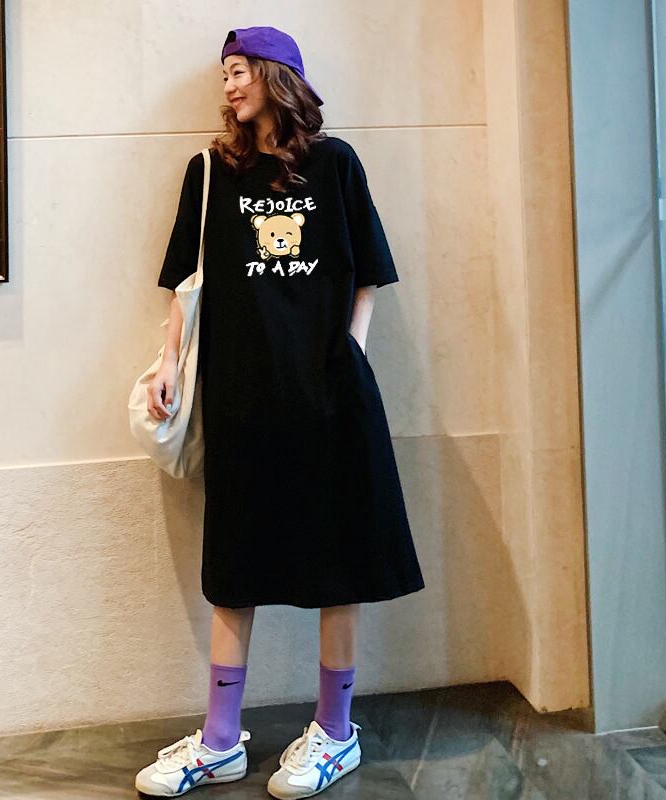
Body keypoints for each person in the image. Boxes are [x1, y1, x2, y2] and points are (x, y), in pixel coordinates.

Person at [134, 26, 425, 799]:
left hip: (329, 393)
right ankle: (219, 741)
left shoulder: (335, 163)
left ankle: (335, 731)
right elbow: (185, 280)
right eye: (224, 73)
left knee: (338, 561)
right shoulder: (210, 171)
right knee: (235, 564)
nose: (229, 85)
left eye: (240, 71)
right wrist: (167, 360)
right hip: (241, 393)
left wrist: (351, 352)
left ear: (277, 75)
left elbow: (367, 272)